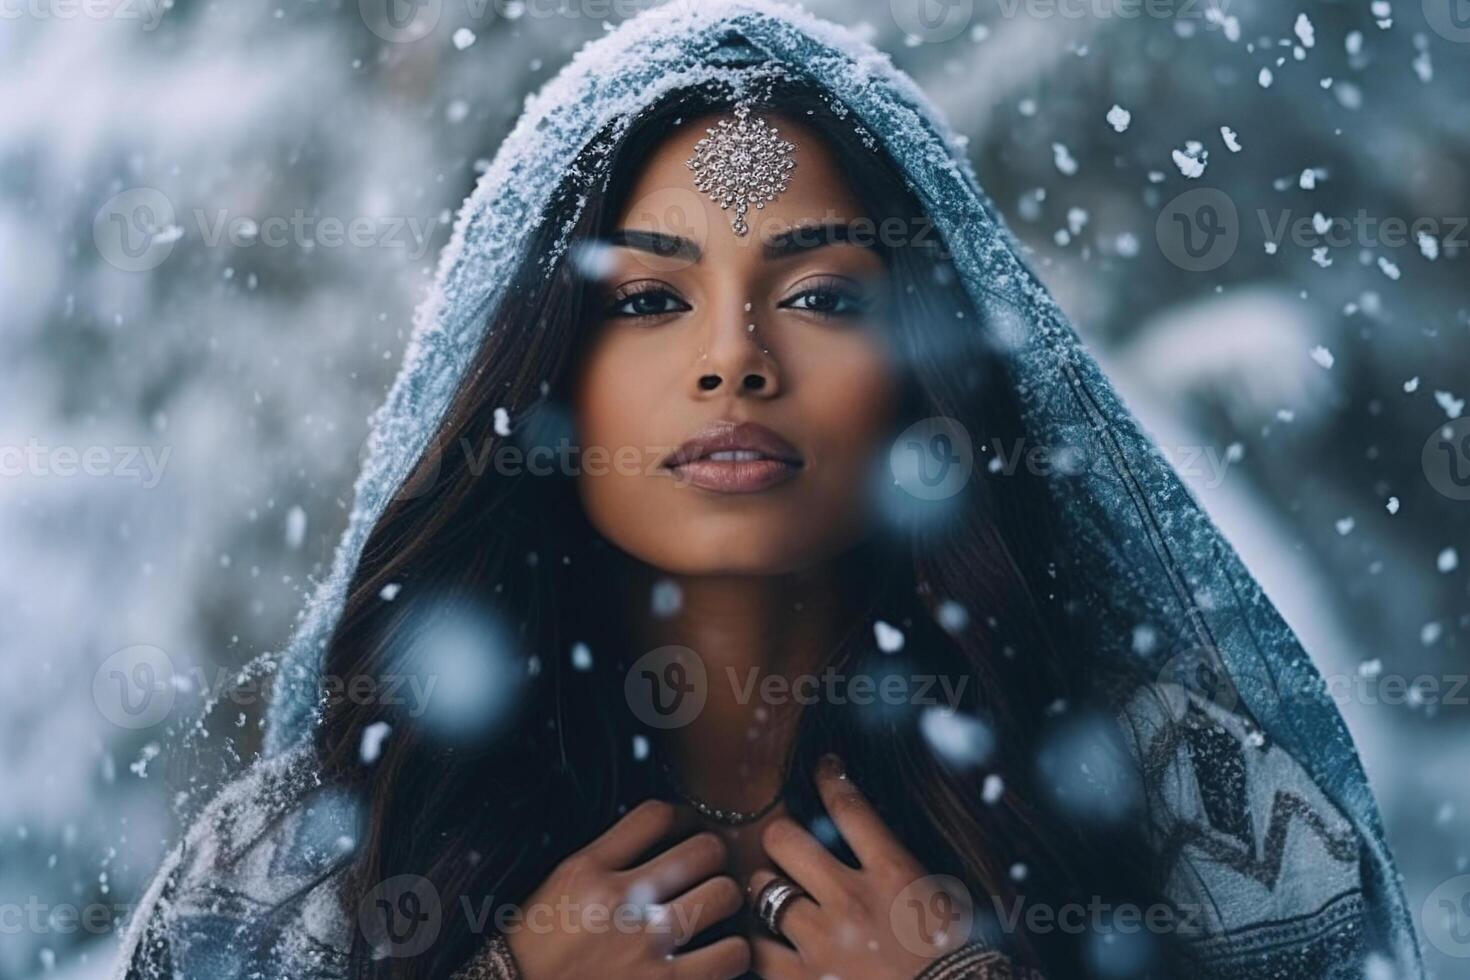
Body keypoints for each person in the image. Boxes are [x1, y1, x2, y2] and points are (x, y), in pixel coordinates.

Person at [116, 4, 1423, 979]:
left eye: (818, 295)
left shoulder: (1180, 809)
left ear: (922, 367)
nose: (733, 358)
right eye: (646, 298)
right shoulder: (330, 849)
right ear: (543, 373)